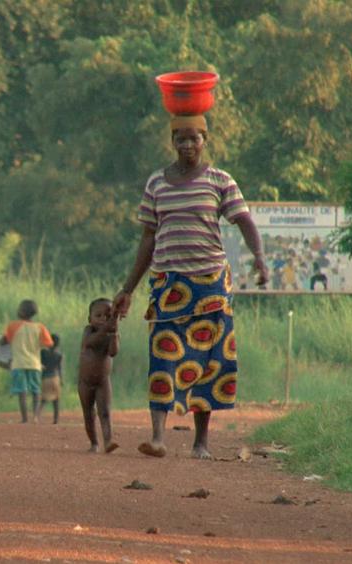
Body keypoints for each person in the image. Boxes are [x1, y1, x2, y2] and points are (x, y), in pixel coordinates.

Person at [113, 113, 268, 460]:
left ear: (205, 140)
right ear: (172, 142)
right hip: (168, 284)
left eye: (194, 138)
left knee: (209, 360)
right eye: (181, 139)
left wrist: (259, 256)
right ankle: (157, 437)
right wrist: (128, 288)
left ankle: (201, 443)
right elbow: (147, 240)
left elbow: (243, 219)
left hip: (210, 283)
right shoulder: (156, 184)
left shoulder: (220, 181)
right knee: (163, 357)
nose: (187, 145)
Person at [0, 299, 53, 424]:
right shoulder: (40, 327)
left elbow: (4, 341)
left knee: (22, 391)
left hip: (19, 364)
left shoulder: (13, 326)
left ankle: (24, 418)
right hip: (35, 363)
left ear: (22, 311)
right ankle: (35, 416)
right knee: (36, 390)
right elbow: (49, 344)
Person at [78, 298, 120, 453]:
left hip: (103, 381)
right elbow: (90, 343)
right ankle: (94, 442)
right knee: (89, 413)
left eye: (108, 316)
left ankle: (108, 441)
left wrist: (114, 333)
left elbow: (113, 352)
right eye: (99, 315)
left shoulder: (111, 334)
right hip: (85, 382)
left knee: (105, 412)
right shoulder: (89, 331)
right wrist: (106, 329)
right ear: (90, 319)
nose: (104, 319)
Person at [39, 334, 63, 424]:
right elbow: (60, 369)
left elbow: (41, 365)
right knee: (56, 400)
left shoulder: (43, 352)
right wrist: (61, 380)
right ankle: (56, 420)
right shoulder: (59, 355)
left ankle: (37, 416)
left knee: (43, 400)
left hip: (45, 378)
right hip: (55, 378)